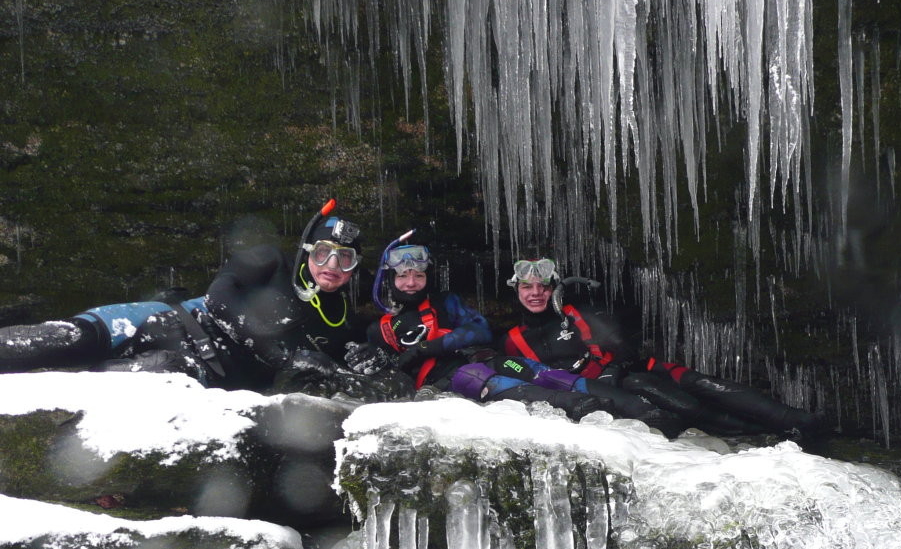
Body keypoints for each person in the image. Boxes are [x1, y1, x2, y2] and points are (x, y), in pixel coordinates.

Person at [0, 201, 413, 400]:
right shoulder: (270, 263)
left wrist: (370, 367)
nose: (332, 266)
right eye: (323, 253)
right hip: (170, 319)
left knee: (135, 378)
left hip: (195, 368)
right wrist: (282, 355)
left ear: (357, 267)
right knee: (73, 339)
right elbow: (219, 296)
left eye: (345, 258)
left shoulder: (341, 325)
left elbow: (391, 385)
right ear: (307, 250)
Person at [500, 257, 829, 437]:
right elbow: (532, 381)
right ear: (517, 292)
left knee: (699, 383)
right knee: (677, 402)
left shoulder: (576, 314)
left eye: (542, 287)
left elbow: (620, 343)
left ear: (554, 289)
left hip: (631, 371)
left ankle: (795, 419)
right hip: (604, 392)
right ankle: (764, 433)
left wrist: (614, 366)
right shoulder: (514, 340)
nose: (535, 294)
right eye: (527, 287)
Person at [343, 240, 612, 421]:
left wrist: (426, 347)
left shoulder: (447, 303)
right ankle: (572, 404)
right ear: (390, 280)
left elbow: (481, 330)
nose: (412, 282)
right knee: (476, 375)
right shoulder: (378, 330)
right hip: (444, 384)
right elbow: (387, 377)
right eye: (403, 276)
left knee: (523, 367)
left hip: (481, 360)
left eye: (419, 276)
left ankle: (611, 400)